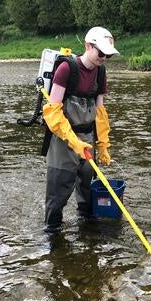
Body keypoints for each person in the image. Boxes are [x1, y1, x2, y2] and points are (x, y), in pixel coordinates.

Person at [42, 26, 119, 234]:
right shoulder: (67, 69)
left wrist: (102, 145)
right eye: (101, 53)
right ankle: (52, 234)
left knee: (86, 187)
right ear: (88, 46)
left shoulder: (101, 72)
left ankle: (87, 229)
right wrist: (73, 142)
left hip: (87, 136)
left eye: (108, 55)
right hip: (63, 139)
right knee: (59, 191)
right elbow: (53, 112)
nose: (104, 58)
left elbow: (100, 111)